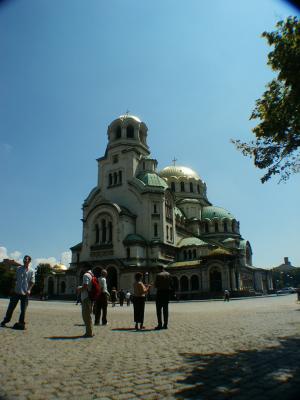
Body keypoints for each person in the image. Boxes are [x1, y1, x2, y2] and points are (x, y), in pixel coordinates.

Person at [1, 255, 35, 330]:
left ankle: (21, 323)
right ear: (23, 261)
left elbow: (32, 282)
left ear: (29, 261)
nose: (25, 260)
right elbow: (15, 279)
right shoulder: (18, 269)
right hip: (16, 292)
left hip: (25, 293)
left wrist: (29, 289)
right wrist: (13, 288)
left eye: (27, 259)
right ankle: (5, 320)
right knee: (11, 308)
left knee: (23, 310)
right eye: (24, 259)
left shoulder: (32, 271)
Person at [77, 267, 94, 338]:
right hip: (89, 297)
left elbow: (85, 286)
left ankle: (89, 333)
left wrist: (79, 289)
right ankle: (90, 332)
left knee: (86, 316)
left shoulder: (86, 275)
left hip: (86, 298)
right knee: (88, 315)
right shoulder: (92, 275)